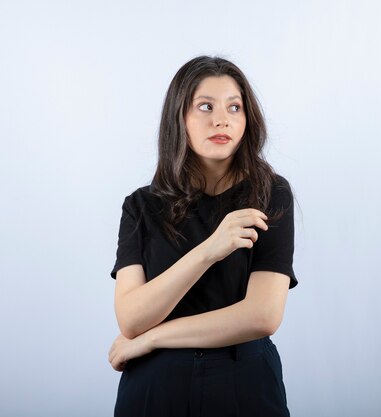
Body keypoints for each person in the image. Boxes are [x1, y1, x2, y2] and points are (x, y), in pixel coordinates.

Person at [107, 55, 298, 417]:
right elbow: (131, 319)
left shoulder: (270, 193)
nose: (221, 119)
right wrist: (210, 249)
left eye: (234, 107)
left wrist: (152, 338)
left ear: (247, 119)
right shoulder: (141, 205)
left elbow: (263, 316)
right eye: (205, 106)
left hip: (244, 385)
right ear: (179, 117)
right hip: (155, 389)